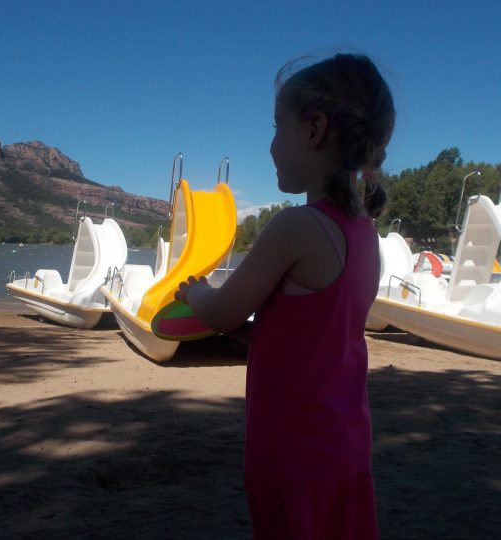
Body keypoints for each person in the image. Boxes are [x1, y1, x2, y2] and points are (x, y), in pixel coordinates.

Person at [175, 53, 395, 539]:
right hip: (345, 445)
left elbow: (222, 310)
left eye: (277, 127)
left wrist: (196, 293)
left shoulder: (296, 227)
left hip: (292, 450)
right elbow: (318, 336)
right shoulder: (365, 235)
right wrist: (257, 338)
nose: (271, 145)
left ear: (314, 129)